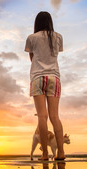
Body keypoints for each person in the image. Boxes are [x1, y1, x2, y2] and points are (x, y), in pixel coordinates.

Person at [25, 11, 65, 160]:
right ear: (50, 22)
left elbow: (32, 57)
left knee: (42, 116)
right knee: (55, 116)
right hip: (54, 78)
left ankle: (44, 154)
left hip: (37, 78)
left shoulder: (31, 38)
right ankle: (61, 153)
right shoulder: (58, 37)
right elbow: (54, 55)